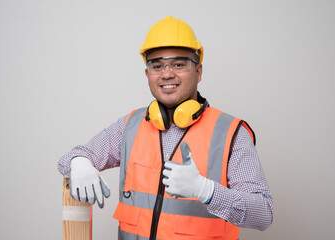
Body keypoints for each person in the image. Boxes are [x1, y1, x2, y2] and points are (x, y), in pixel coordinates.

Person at [58, 16, 273, 240]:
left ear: (198, 72)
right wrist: (79, 162)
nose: (167, 74)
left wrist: (206, 191)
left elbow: (263, 213)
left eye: (179, 64)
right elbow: (69, 158)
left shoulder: (230, 133)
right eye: (157, 66)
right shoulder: (130, 125)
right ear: (147, 75)